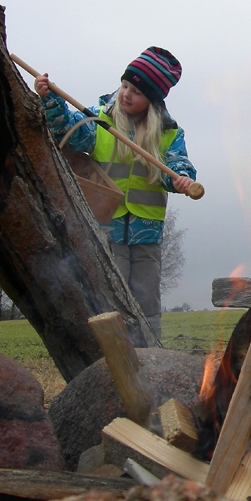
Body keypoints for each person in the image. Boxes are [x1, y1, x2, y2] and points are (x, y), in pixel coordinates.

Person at [34, 46, 197, 342]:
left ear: (152, 99)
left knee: (147, 301)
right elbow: (65, 130)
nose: (126, 94)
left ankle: (152, 356)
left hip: (147, 232)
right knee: (112, 300)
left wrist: (181, 180)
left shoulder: (168, 133)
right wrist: (51, 99)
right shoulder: (99, 122)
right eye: (125, 85)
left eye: (136, 91)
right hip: (106, 230)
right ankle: (115, 356)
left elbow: (176, 165)